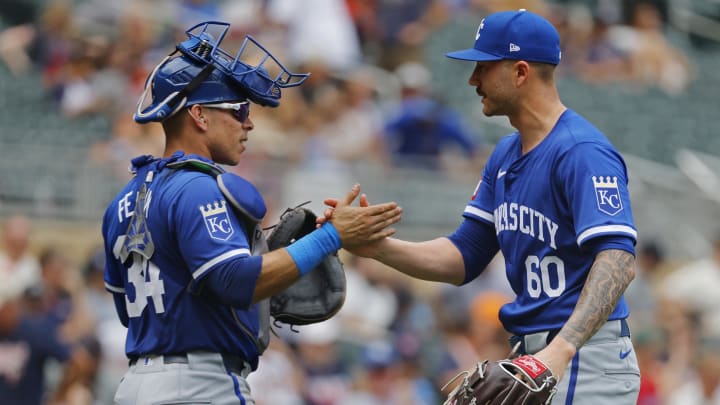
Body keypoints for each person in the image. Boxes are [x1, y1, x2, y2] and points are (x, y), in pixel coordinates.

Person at [323, 9, 640, 404]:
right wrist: (376, 248)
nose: (473, 80)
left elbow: (618, 260)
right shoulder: (504, 154)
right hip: (535, 355)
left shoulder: (581, 151)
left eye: (484, 68)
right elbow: (465, 255)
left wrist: (560, 351)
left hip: (583, 358)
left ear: (521, 72)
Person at [100, 21, 402, 405]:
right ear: (199, 115)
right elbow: (235, 280)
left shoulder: (124, 199)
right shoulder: (197, 187)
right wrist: (331, 236)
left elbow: (129, 313)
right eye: (237, 109)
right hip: (199, 386)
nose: (249, 121)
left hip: (136, 387)